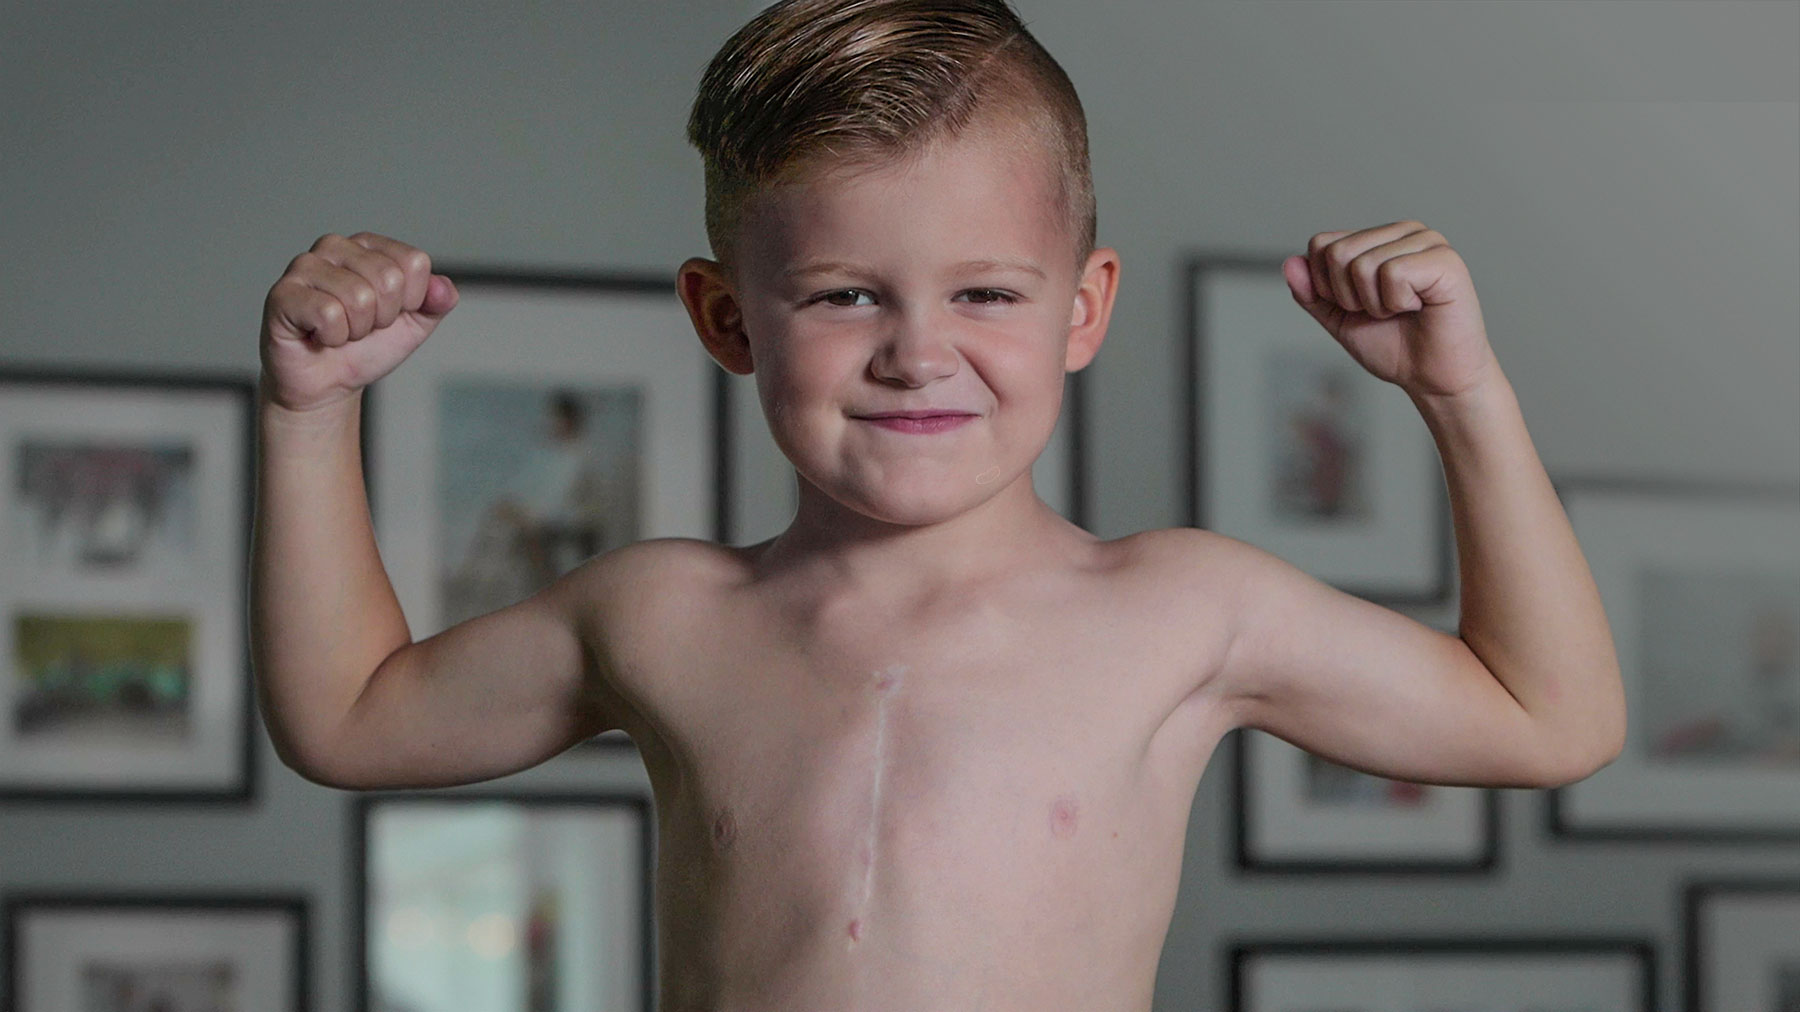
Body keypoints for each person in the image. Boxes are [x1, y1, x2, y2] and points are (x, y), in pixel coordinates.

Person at [249, 1, 1627, 1007]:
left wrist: (1461, 397)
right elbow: (347, 717)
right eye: (846, 294)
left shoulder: (1184, 607)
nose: (918, 350)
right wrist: (313, 415)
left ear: (1083, 310)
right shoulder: (661, 612)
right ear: (727, 318)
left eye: (984, 292)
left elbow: (1549, 717)